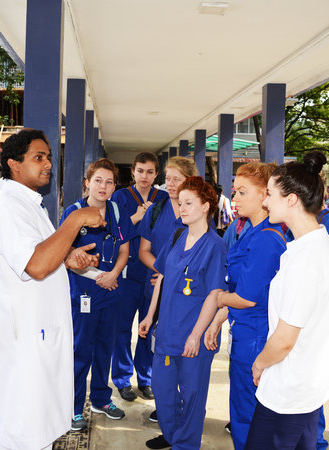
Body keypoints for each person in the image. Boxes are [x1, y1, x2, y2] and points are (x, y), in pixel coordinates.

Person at [0, 129, 104, 449]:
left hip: (36, 340)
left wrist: (66, 258)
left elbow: (38, 255)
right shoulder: (7, 206)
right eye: (39, 157)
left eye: (49, 157)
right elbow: (35, 265)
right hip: (23, 347)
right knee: (22, 434)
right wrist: (75, 219)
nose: (48, 163)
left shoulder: (27, 204)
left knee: (37, 431)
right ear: (14, 164)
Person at [245, 151, 329, 449]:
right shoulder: (316, 244)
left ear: (291, 200)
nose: (265, 201)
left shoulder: (307, 258)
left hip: (289, 391)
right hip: (305, 385)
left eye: (270, 194)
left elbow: (285, 339)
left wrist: (259, 364)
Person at [139, 176, 228, 450]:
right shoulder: (178, 237)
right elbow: (162, 277)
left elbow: (214, 295)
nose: (182, 208)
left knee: (192, 396)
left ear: (206, 207)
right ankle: (172, 434)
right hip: (167, 331)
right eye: (180, 203)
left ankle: (185, 444)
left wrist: (196, 335)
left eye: (189, 203)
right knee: (163, 392)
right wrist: (149, 316)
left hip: (194, 337)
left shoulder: (215, 246)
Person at [203, 163, 287, 450]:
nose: (234, 199)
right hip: (245, 332)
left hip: (255, 338)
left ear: (265, 194)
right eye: (235, 191)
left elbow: (246, 297)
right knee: (244, 413)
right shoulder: (251, 231)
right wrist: (218, 320)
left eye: (241, 192)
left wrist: (216, 298)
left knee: (247, 417)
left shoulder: (265, 238)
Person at [62, 158, 136, 431]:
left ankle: (101, 399)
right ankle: (74, 406)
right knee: (81, 351)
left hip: (112, 290)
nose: (103, 187)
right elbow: (63, 252)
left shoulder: (117, 212)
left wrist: (114, 273)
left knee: (106, 348)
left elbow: (125, 249)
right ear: (87, 183)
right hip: (83, 292)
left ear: (115, 186)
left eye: (109, 182)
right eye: (98, 180)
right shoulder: (74, 212)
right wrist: (96, 277)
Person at [138, 156, 198, 424]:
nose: (170, 184)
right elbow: (144, 251)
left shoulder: (196, 213)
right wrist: (162, 273)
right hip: (157, 290)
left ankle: (183, 408)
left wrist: (170, 276)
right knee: (159, 349)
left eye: (177, 179)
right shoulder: (156, 210)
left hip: (186, 296)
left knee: (184, 352)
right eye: (168, 178)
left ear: (189, 181)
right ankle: (165, 403)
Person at [111, 152, 169, 403]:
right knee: (122, 329)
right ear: (132, 172)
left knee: (149, 328)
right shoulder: (120, 197)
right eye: (140, 171)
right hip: (127, 273)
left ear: (157, 174)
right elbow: (114, 230)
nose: (144, 176)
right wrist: (136, 216)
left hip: (154, 274)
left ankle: (145, 378)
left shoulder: (165, 198)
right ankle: (123, 379)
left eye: (149, 172)